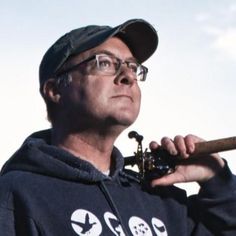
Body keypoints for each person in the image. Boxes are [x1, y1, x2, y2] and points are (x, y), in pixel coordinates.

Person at [0, 18, 235, 236]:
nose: (128, 77)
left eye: (133, 67)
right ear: (55, 90)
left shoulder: (159, 197)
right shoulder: (17, 195)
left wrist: (216, 179)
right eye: (104, 63)